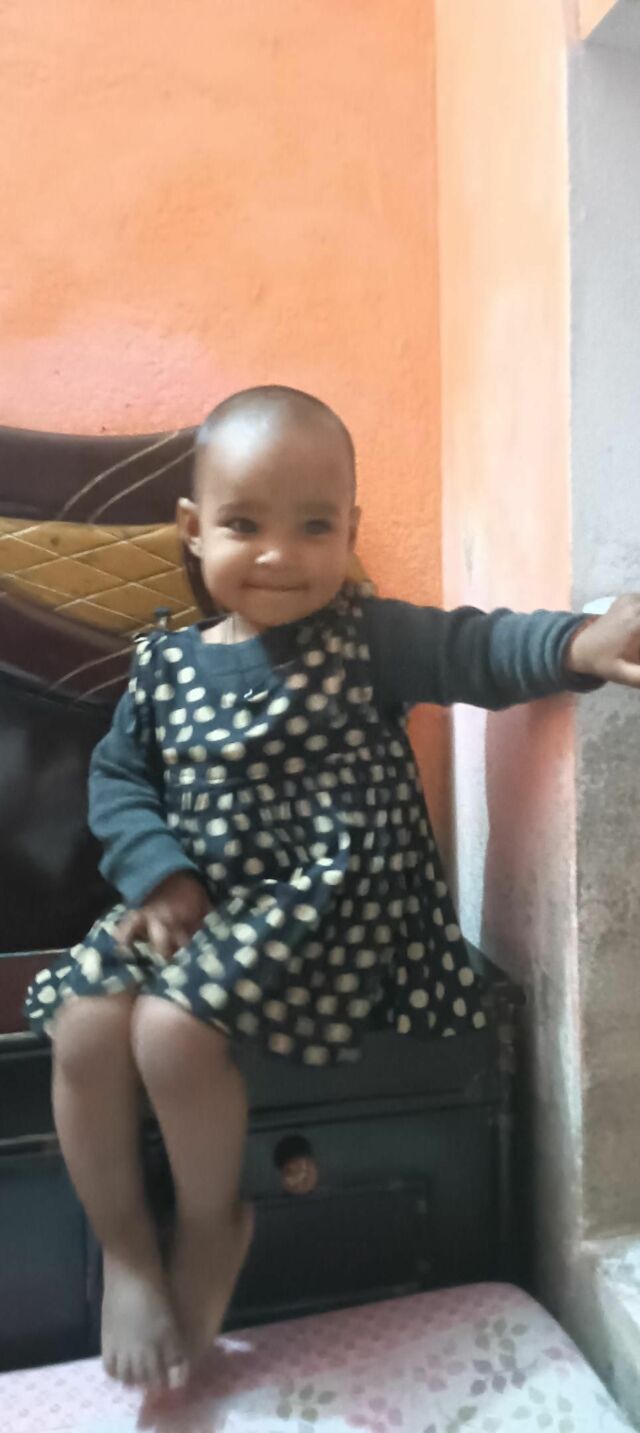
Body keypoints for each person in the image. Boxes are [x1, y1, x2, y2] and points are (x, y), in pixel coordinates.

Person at [24, 385, 640, 1391]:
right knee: (84, 1025)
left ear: (349, 531)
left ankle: (211, 1222)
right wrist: (158, 871)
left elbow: (477, 647)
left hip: (329, 907)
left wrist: (578, 642)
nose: (280, 554)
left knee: (169, 1031)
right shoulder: (165, 664)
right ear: (192, 528)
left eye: (313, 526)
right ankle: (129, 1253)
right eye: (244, 524)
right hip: (195, 900)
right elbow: (119, 780)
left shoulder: (365, 635)